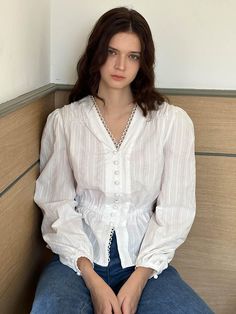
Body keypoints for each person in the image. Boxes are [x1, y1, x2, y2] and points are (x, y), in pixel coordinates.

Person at [31, 7, 214, 314]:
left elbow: (176, 210)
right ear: (96, 53)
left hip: (145, 262)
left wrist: (140, 278)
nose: (120, 65)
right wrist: (91, 278)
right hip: (77, 259)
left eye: (133, 56)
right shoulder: (65, 122)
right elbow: (56, 204)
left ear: (143, 62)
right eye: (112, 51)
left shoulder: (172, 122)